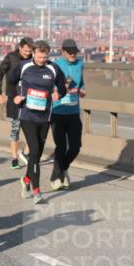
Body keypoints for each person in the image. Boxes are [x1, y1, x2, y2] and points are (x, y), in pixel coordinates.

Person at [8, 40, 66, 204]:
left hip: (45, 117)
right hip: (27, 116)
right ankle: (36, 190)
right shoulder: (24, 66)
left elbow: (62, 86)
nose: (42, 59)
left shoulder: (53, 68)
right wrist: (15, 96)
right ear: (33, 53)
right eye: (39, 56)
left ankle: (26, 180)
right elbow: (10, 82)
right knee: (34, 151)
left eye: (44, 56)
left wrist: (58, 94)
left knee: (37, 154)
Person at [50, 38, 87, 190]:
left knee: (75, 147)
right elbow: (49, 84)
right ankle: (56, 178)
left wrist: (83, 89)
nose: (73, 55)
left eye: (74, 52)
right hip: (58, 111)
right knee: (60, 146)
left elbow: (81, 82)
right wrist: (58, 89)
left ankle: (61, 170)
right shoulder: (55, 65)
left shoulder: (80, 64)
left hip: (73, 112)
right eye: (70, 52)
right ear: (63, 51)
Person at [0, 37, 34, 169]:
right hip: (13, 99)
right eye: (26, 50)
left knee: (32, 130)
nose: (28, 53)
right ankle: (15, 159)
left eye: (30, 51)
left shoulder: (32, 59)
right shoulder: (11, 57)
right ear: (20, 47)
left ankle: (26, 154)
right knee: (15, 129)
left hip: (29, 100)